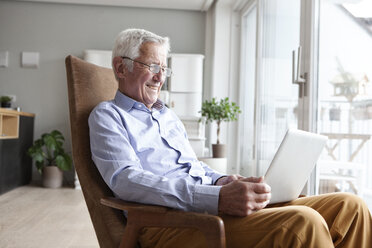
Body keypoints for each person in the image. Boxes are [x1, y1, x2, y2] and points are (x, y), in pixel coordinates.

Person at [88, 28, 372, 248]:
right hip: (171, 223)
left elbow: (193, 166)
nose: (160, 77)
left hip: (212, 207)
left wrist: (224, 181)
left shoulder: (167, 116)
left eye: (165, 69)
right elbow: (125, 180)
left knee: (350, 207)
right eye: (152, 66)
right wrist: (215, 198)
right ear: (120, 67)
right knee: (302, 223)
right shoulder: (107, 116)